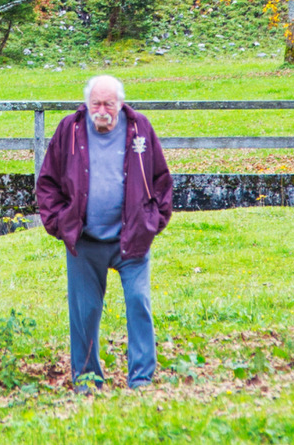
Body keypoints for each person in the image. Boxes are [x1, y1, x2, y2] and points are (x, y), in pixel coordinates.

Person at [36, 74, 173, 392]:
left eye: (109, 104)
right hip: (85, 241)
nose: (102, 110)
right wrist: (59, 223)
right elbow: (47, 182)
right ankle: (87, 380)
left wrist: (154, 221)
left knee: (139, 302)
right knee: (85, 312)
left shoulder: (141, 128)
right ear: (87, 103)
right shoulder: (69, 129)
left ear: (120, 104)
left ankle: (141, 379)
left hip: (132, 237)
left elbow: (161, 179)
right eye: (96, 103)